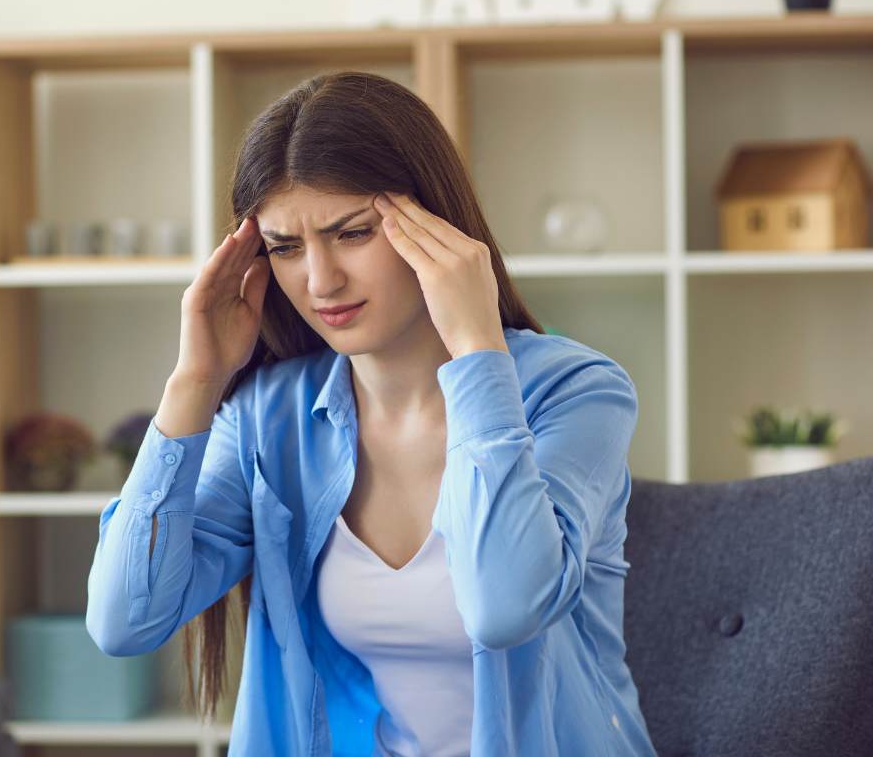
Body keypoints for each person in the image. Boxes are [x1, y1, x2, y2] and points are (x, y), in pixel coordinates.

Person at [86, 70, 657, 757]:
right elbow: (123, 622)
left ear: (436, 226)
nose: (320, 282)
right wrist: (195, 382)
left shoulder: (575, 390)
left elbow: (505, 607)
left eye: (352, 233)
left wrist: (476, 346)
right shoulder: (269, 419)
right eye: (285, 248)